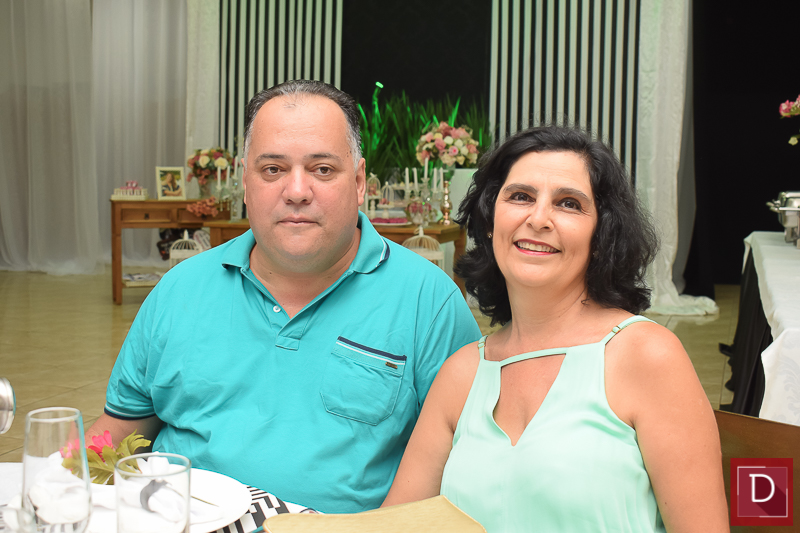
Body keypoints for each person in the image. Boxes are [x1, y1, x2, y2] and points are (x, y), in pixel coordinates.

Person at [87, 80, 481, 513]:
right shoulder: (180, 289)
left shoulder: (429, 302)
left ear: (359, 181)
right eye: (273, 169)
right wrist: (59, 485)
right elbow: (118, 429)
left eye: (322, 169)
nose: (296, 191)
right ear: (244, 181)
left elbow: (463, 468)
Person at [382, 126, 729, 531]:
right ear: (491, 220)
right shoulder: (462, 373)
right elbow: (394, 526)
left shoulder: (646, 355)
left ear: (601, 235)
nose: (538, 218)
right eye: (520, 196)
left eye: (568, 204)